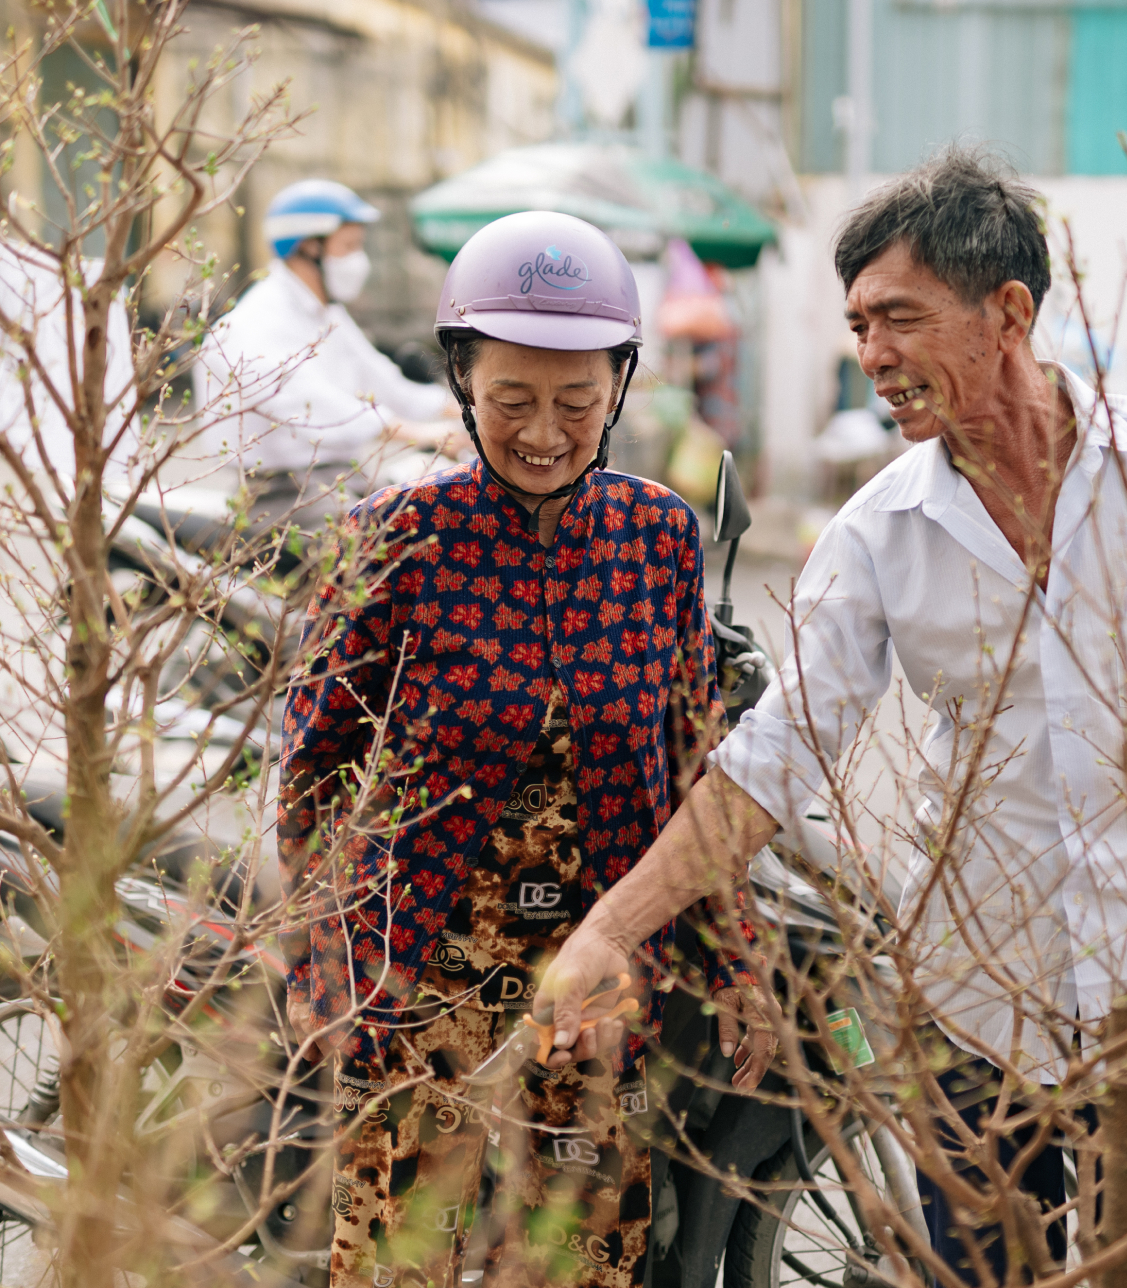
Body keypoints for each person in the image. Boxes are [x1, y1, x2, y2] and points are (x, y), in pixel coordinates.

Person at [532, 148, 1127, 1287]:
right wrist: (608, 926)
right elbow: (770, 760)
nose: (872, 357)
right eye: (856, 326)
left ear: (1008, 311)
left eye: (896, 317)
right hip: (979, 1018)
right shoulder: (879, 531)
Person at [277, 210, 777, 1288]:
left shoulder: (656, 539)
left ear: (620, 390)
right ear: (463, 384)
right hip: (420, 986)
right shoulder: (397, 539)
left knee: (580, 1266)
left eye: (576, 403)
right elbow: (313, 771)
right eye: (511, 401)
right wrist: (324, 963)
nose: (543, 432)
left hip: (597, 996)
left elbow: (695, 771)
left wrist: (734, 958)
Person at [194, 179, 459, 548]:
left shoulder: (327, 314)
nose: (358, 260)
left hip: (342, 480)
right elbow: (317, 407)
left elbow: (384, 380)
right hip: (283, 494)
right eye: (348, 247)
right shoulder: (257, 321)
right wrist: (419, 432)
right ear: (309, 247)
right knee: (380, 562)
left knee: (437, 519)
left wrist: (464, 410)